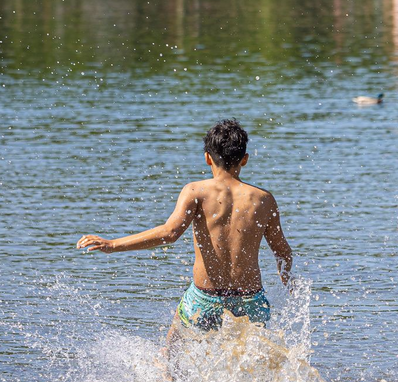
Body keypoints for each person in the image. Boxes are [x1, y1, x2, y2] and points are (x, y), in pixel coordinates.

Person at [77, 120, 294, 344]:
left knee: (170, 355)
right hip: (251, 300)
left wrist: (113, 245)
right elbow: (282, 251)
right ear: (245, 159)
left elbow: (169, 233)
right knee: (254, 363)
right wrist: (288, 281)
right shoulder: (263, 199)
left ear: (208, 157)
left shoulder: (196, 191)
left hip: (205, 299)